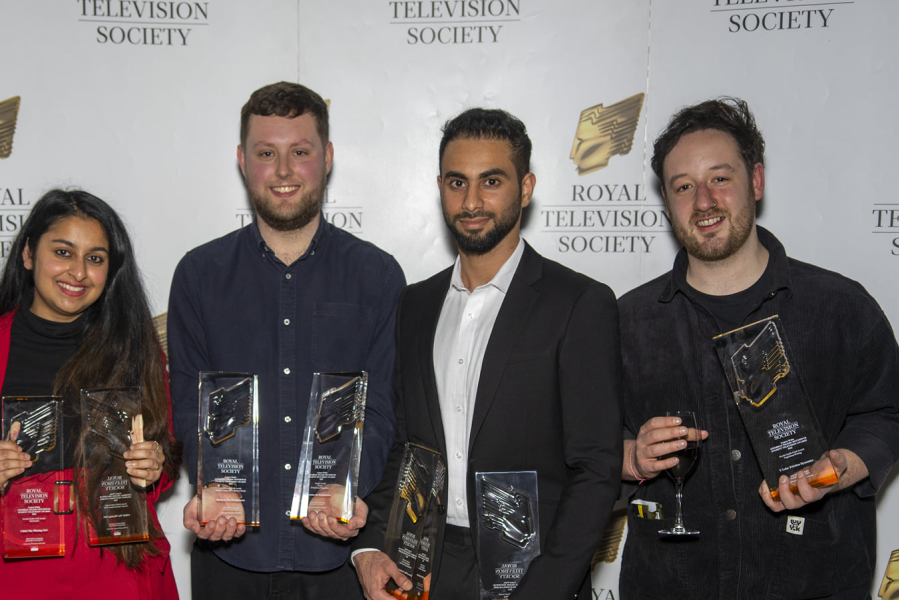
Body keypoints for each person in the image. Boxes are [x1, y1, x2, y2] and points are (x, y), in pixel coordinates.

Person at [618, 97, 899, 599]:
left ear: (757, 182)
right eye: (683, 186)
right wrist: (633, 458)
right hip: (671, 586)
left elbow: (888, 414)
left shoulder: (840, 307)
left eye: (720, 178)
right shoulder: (626, 321)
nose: (702, 201)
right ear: (667, 202)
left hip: (816, 583)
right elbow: (585, 447)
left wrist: (838, 468)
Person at [352, 108, 623, 599]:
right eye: (457, 182)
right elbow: (404, 446)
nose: (471, 201)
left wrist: (546, 588)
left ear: (525, 188)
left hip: (536, 573)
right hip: (425, 571)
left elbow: (597, 469)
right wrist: (373, 546)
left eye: (491, 181)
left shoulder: (579, 303)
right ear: (440, 187)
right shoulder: (415, 305)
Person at [167, 81, 405, 599]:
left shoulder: (378, 276)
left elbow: (384, 408)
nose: (282, 171)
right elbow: (187, 401)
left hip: (339, 557)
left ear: (327, 158)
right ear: (241, 159)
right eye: (266, 153)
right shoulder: (198, 274)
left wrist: (347, 486)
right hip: (229, 550)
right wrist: (215, 481)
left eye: (300, 152)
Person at [0, 189, 181, 599]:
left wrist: (153, 466)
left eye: (95, 258)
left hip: (119, 571)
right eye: (63, 252)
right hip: (15, 572)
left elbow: (165, 454)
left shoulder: (135, 348)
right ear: (28, 254)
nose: (78, 272)